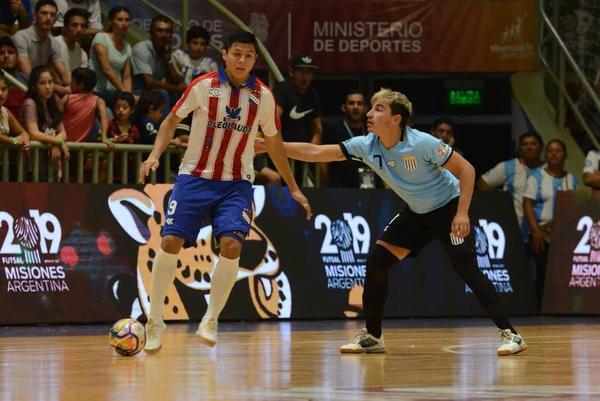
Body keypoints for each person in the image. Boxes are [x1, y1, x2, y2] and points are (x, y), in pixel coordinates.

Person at [272, 88, 526, 356]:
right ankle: (373, 336)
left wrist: (462, 213)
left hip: (448, 209)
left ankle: (511, 335)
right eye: (371, 108)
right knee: (377, 262)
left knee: (467, 270)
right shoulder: (367, 145)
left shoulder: (422, 143)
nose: (369, 114)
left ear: (397, 119)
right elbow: (317, 151)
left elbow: (467, 170)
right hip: (416, 213)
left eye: (378, 109)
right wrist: (272, 145)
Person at [139, 31, 312, 354]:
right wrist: (153, 156)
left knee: (233, 245)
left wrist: (294, 187)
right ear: (224, 54)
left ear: (254, 60)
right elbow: (170, 121)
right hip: (195, 178)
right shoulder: (203, 86)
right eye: (236, 54)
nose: (242, 60)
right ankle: (155, 320)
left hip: (237, 183)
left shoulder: (263, 97)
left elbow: (274, 144)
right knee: (170, 241)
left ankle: (211, 319)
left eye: (248, 55)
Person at [523, 139, 578, 306]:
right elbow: (527, 204)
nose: (554, 154)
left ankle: (560, 306)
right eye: (550, 151)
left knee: (561, 273)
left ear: (565, 155)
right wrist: (536, 231)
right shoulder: (536, 177)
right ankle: (539, 308)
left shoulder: (571, 179)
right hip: (541, 233)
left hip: (563, 235)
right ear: (545, 154)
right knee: (541, 271)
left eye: (558, 151)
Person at [477, 132, 543, 241]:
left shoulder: (546, 169)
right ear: (520, 148)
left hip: (541, 232)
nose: (529, 147)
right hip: (513, 230)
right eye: (525, 144)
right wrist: (500, 203)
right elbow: (482, 183)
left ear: (541, 148)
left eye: (533, 144)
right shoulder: (508, 167)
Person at [274, 54, 322, 184]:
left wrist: (314, 145)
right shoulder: (283, 90)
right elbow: (274, 118)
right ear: (291, 72)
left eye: (309, 72)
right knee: (281, 190)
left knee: (303, 188)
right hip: (281, 153)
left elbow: (317, 126)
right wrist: (279, 146)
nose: (305, 76)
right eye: (301, 71)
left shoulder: (313, 94)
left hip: (303, 155)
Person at [19, 65, 69, 179]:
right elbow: (34, 133)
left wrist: (56, 143)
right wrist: (59, 142)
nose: (48, 87)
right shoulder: (30, 104)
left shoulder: (53, 103)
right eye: (42, 83)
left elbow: (63, 133)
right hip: (33, 166)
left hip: (52, 165)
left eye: (50, 82)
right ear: (34, 86)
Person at [12, 0, 70, 95]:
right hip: (19, 86)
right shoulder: (21, 37)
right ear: (35, 15)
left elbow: (65, 75)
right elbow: (28, 74)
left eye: (52, 15)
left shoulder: (53, 42)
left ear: (55, 19)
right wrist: (59, 89)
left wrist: (73, 87)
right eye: (44, 13)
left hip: (41, 87)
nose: (48, 18)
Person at [321, 88, 375, 188]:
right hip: (339, 190)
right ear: (343, 107)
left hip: (370, 189)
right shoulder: (333, 129)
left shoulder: (373, 131)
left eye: (359, 104)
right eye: (351, 103)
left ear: (365, 108)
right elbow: (324, 163)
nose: (355, 107)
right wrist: (325, 185)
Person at [132, 16, 183, 108]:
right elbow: (150, 82)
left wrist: (168, 60)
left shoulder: (166, 51)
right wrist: (177, 89)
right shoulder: (141, 49)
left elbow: (177, 81)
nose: (164, 35)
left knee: (179, 97)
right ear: (151, 32)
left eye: (168, 31)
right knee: (163, 94)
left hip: (154, 93)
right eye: (160, 31)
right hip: (138, 93)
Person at [89, 6, 132, 108]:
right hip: (96, 92)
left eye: (127, 20)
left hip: (114, 94)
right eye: (119, 19)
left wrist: (128, 97)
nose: (124, 23)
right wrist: (124, 92)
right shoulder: (101, 38)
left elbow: (127, 77)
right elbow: (106, 69)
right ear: (110, 22)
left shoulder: (127, 47)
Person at [60, 67, 108, 143]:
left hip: (68, 143)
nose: (70, 83)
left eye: (72, 81)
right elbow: (104, 118)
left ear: (80, 85)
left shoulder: (67, 98)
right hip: (65, 142)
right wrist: (104, 137)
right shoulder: (99, 101)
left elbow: (104, 118)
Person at [0, 71, 29, 151]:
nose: (0, 93)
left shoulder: (5, 111)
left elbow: (24, 133)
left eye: (4, 89)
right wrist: (14, 141)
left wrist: (25, 142)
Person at [54, 8, 88, 74]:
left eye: (82, 26)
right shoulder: (54, 44)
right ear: (65, 27)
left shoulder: (82, 53)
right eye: (74, 25)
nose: (79, 29)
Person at [0, 35, 28, 117]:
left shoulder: (26, 79)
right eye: (1, 53)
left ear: (17, 57)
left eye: (11, 52)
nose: (6, 56)